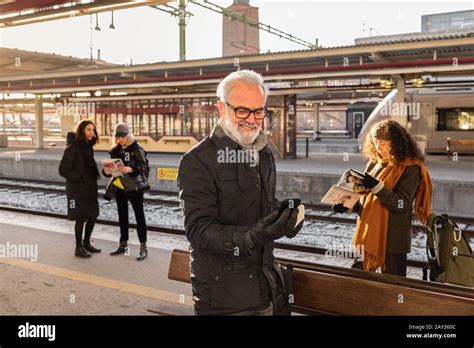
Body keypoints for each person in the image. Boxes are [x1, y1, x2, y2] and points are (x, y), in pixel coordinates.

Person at [177, 70, 304, 315]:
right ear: (221, 108)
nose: (252, 119)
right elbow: (199, 231)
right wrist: (252, 237)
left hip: (265, 285)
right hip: (223, 297)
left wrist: (282, 218)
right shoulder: (197, 161)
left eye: (259, 111)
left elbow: (258, 208)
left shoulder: (263, 152)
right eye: (242, 110)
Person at [333, 119, 433, 276]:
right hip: (367, 234)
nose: (379, 148)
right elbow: (366, 199)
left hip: (392, 241)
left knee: (393, 287)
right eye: (376, 142)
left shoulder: (410, 168)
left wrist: (377, 187)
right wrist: (348, 204)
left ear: (396, 143)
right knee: (361, 282)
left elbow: (401, 204)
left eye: (384, 144)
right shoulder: (375, 163)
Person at [103, 123, 149, 261]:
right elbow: (110, 170)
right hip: (120, 187)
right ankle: (123, 244)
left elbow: (144, 167)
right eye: (117, 137)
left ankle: (143, 246)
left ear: (128, 136)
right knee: (122, 216)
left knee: (139, 215)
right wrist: (106, 171)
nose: (119, 140)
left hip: (134, 187)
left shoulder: (136, 149)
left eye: (122, 136)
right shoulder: (115, 150)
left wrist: (130, 170)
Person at [59, 119, 101, 258]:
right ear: (81, 130)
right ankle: (78, 247)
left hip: (89, 187)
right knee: (81, 217)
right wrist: (80, 178)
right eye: (88, 129)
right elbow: (63, 170)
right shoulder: (73, 148)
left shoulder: (88, 147)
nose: (92, 132)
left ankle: (87, 242)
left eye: (93, 129)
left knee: (93, 215)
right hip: (77, 189)